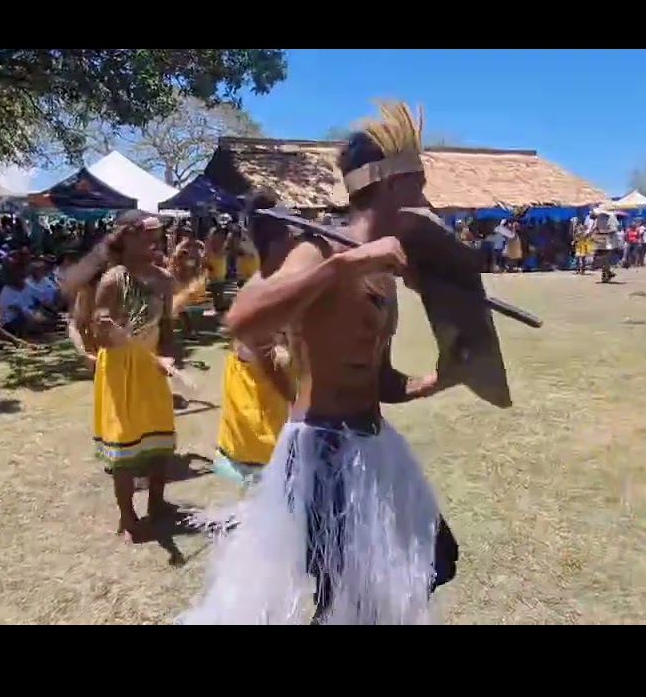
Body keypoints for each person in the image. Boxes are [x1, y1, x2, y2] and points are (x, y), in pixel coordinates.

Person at [180, 101, 463, 625]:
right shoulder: (319, 252)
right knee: (345, 599)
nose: (424, 201)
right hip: (323, 455)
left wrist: (439, 379)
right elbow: (242, 321)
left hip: (375, 450)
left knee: (434, 561)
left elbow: (378, 381)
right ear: (392, 188)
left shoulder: (385, 269)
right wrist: (347, 265)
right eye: (418, 187)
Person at [62, 211, 179, 542]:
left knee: (160, 443)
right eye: (143, 234)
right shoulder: (113, 280)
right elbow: (98, 330)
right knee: (125, 448)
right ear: (126, 238)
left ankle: (157, 504)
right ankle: (128, 518)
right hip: (119, 371)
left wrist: (168, 354)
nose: (151, 240)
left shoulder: (163, 279)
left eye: (152, 234)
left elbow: (167, 327)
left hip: (152, 368)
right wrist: (106, 329)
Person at [211, 189, 297, 487]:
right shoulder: (263, 290)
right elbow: (267, 361)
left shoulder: (279, 281)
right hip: (262, 397)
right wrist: (296, 401)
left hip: (267, 391)